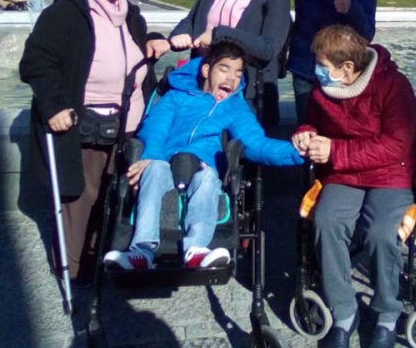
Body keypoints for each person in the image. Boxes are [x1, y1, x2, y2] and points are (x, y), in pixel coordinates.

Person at [19, 0, 164, 286]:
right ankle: (71, 267)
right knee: (81, 195)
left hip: (127, 123)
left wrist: (154, 40)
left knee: (114, 193)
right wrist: (54, 105)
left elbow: (135, 48)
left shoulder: (127, 11)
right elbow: (36, 63)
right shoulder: (65, 14)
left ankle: (100, 257)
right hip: (84, 123)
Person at [104, 41, 304, 271]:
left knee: (207, 177)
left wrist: (297, 152)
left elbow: (256, 144)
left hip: (203, 166)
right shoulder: (177, 97)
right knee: (155, 168)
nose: (231, 78)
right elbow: (155, 128)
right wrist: (151, 155)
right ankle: (141, 250)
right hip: (166, 160)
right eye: (224, 69)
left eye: (238, 73)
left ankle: (197, 248)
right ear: (207, 70)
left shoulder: (235, 108)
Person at [291, 25, 416, 348]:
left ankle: (386, 313)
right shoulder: (323, 90)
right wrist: (306, 131)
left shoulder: (394, 86)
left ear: (348, 68)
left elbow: (396, 146)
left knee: (381, 232)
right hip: (344, 175)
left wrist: (336, 151)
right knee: (327, 221)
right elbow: (313, 119)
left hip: (391, 173)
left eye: (324, 67)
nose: (317, 73)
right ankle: (344, 312)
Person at [148, 0, 291, 131]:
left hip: (249, 90)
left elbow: (268, 48)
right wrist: (180, 34)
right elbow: (193, 18)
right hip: (205, 83)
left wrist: (218, 34)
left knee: (241, 153)